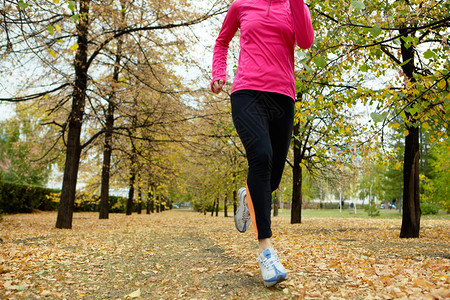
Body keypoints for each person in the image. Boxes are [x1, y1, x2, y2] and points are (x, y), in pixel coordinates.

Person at [210, 0, 314, 287]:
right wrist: (219, 73)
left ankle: (249, 198)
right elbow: (222, 42)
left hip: (283, 96)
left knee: (273, 176)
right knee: (261, 156)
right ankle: (266, 252)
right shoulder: (240, 5)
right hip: (246, 93)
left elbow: (305, 41)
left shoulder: (294, 6)